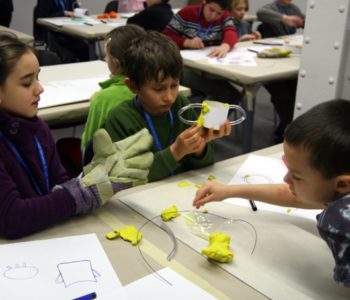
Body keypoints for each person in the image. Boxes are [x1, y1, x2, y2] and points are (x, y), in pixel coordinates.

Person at [0, 33, 153, 238]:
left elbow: (59, 183)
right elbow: (12, 218)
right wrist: (82, 193)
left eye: (38, 77)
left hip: (46, 236)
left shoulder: (39, 129)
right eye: (27, 83)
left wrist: (88, 179)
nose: (40, 88)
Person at [193, 99, 350, 287]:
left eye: (297, 176)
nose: (286, 179)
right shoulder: (337, 188)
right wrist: (228, 191)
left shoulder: (339, 223)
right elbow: (292, 193)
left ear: (342, 184)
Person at [104, 31, 232, 182]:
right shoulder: (120, 119)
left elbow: (205, 165)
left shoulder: (181, 105)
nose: (169, 97)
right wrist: (176, 152)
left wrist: (200, 148)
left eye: (175, 85)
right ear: (133, 86)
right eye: (158, 89)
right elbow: (127, 177)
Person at [81, 24, 146, 148]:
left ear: (115, 62)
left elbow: (88, 145)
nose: (105, 59)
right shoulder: (153, 88)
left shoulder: (103, 99)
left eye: (107, 55)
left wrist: (99, 98)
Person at [256, 0, 305, 143]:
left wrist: (303, 22)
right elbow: (261, 13)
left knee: (296, 89)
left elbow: (304, 20)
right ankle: (288, 127)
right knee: (283, 95)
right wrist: (286, 18)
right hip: (271, 59)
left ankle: (286, 127)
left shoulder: (294, 8)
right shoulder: (270, 7)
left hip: (286, 55)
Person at [163, 0, 237, 58]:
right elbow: (166, 36)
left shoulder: (225, 15)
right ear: (204, 2)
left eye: (219, 13)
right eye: (211, 10)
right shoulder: (186, 13)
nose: (213, 16)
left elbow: (231, 32)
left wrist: (224, 47)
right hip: (187, 62)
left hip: (211, 60)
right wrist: (188, 42)